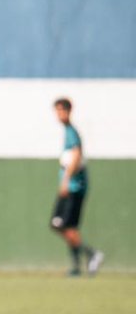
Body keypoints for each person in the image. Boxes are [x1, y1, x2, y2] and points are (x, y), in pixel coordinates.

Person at [50, 98, 103, 277]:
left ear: (68, 111)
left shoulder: (72, 132)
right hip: (71, 187)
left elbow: (76, 156)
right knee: (65, 226)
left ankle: (90, 255)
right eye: (56, 111)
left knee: (62, 224)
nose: (58, 114)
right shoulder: (67, 131)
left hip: (74, 188)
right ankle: (77, 266)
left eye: (61, 110)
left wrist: (66, 180)